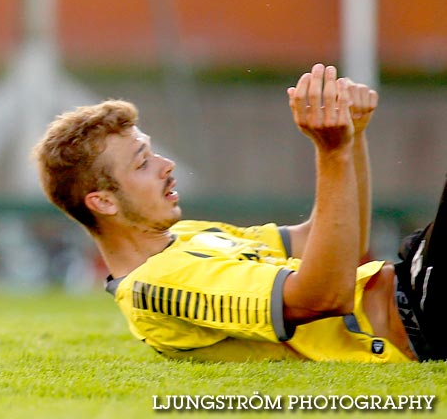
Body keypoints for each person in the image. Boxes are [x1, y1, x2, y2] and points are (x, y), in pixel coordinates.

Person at [33, 64, 445, 362]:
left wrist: (352, 138)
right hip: (420, 320)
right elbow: (323, 296)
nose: (165, 164)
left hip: (413, 279)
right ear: (103, 202)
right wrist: (331, 153)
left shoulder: (186, 236)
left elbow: (336, 243)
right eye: (142, 162)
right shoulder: (155, 285)